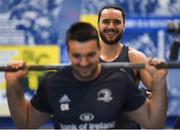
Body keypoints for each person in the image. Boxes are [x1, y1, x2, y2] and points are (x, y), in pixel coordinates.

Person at [5, 22, 167, 129]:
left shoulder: (120, 81)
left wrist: (159, 82)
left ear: (98, 50)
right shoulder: (52, 83)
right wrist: (12, 84)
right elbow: (25, 123)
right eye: (77, 56)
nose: (83, 63)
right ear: (68, 52)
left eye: (90, 55)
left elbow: (154, 123)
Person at [97, 5, 153, 128]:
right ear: (98, 25)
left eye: (117, 22)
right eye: (106, 22)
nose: (111, 27)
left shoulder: (135, 57)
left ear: (124, 26)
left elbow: (157, 93)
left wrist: (141, 96)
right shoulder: (87, 59)